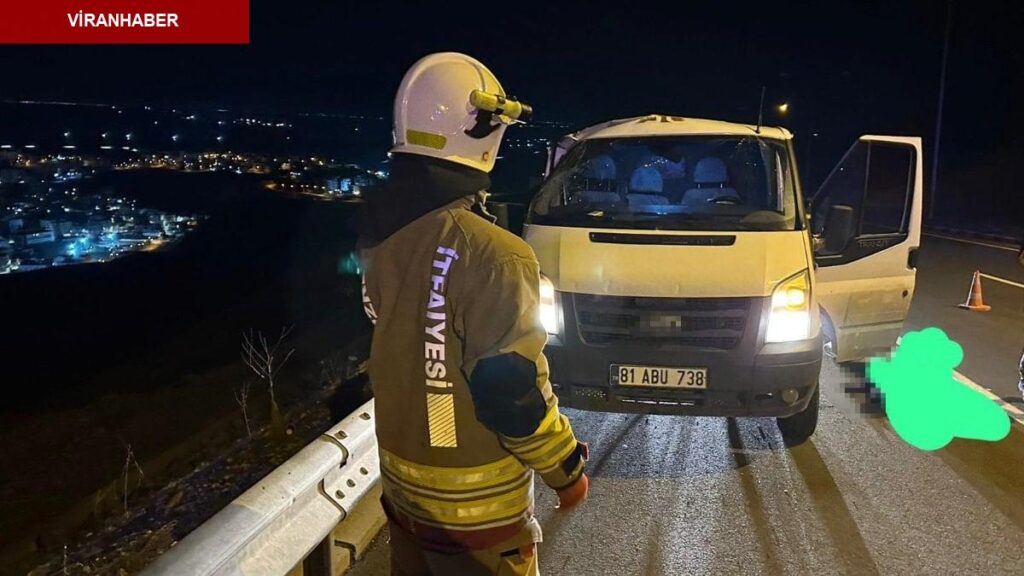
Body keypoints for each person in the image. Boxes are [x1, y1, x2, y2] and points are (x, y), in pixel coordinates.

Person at [358, 52, 589, 576]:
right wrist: (565, 466)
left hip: (404, 497)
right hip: (478, 525)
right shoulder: (496, 253)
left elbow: (403, 339)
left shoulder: (378, 237)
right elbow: (509, 391)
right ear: (481, 128)